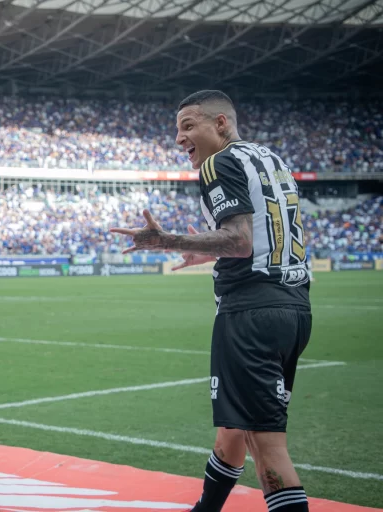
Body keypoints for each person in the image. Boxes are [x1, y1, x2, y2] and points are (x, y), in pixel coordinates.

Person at [110, 90, 311, 512]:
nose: (180, 139)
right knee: (233, 431)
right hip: (293, 307)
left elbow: (239, 241)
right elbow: (265, 234)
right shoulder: (271, 159)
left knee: (265, 445)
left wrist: (167, 240)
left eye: (188, 126)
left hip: (251, 313)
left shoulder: (219, 162)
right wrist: (202, 250)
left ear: (220, 124)